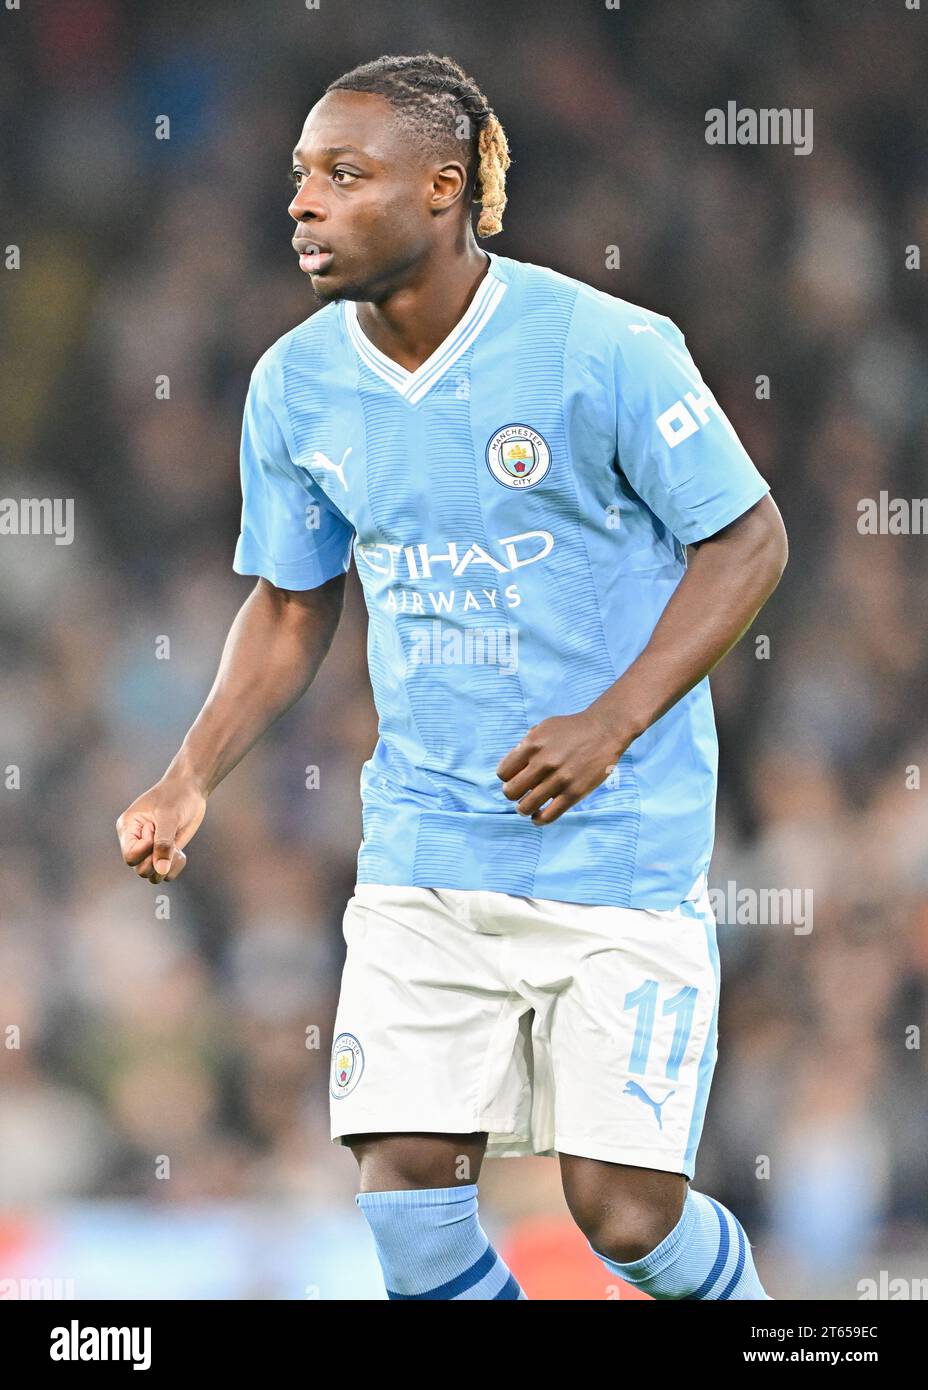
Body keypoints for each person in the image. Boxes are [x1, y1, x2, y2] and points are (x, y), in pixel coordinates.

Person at [116, 52, 788, 1301]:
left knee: (622, 1213)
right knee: (409, 1199)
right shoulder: (295, 384)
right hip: (426, 847)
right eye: (301, 176)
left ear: (442, 190)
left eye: (344, 175)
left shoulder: (604, 345)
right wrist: (187, 772)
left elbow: (748, 538)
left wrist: (611, 721)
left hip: (617, 847)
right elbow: (290, 600)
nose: (303, 203)